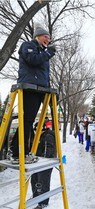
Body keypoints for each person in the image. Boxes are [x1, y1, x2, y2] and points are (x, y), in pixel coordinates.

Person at [10, 23, 56, 163]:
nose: (48, 40)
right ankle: (17, 152)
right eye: (45, 37)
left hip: (40, 88)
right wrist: (48, 53)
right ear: (38, 36)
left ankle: (26, 150)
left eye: (49, 38)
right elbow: (33, 60)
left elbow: (44, 74)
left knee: (35, 119)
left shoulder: (42, 52)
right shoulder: (28, 46)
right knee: (27, 120)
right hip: (29, 87)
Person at [30, 124, 57, 209]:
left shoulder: (48, 136)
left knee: (42, 182)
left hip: (45, 164)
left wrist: (41, 161)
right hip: (37, 163)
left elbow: (48, 151)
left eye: (36, 130)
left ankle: (43, 202)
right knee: (34, 180)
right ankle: (35, 197)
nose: (35, 132)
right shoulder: (41, 136)